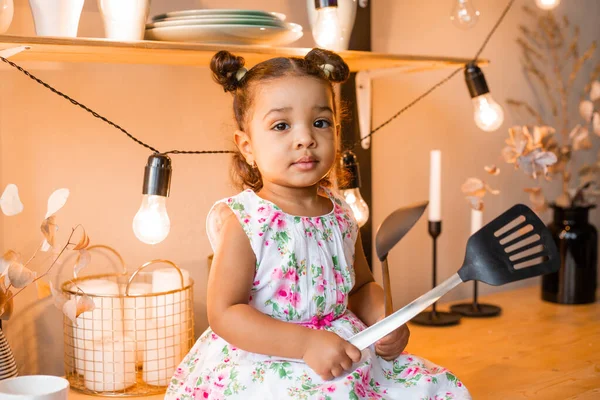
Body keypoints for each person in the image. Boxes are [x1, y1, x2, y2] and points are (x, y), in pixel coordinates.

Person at [166, 48, 471, 400]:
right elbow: (225, 314)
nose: (305, 138)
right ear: (247, 146)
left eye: (320, 123)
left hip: (342, 347)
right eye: (281, 125)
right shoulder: (247, 220)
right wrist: (305, 343)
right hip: (269, 356)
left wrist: (386, 319)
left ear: (336, 132)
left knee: (431, 387)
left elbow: (360, 287)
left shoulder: (340, 212)